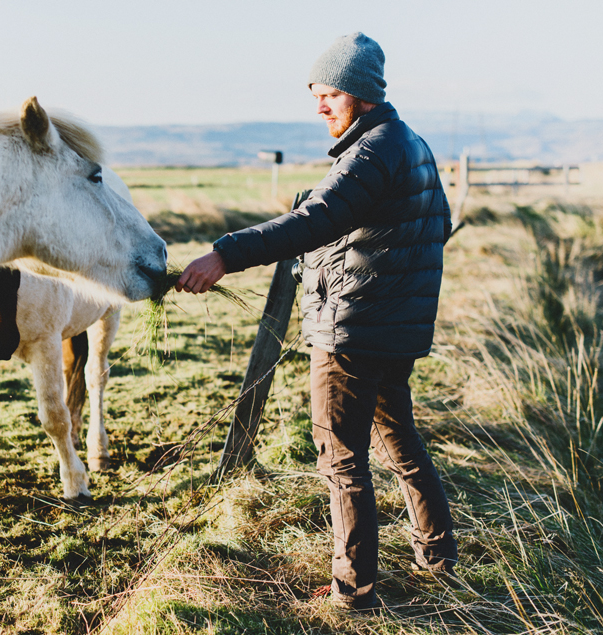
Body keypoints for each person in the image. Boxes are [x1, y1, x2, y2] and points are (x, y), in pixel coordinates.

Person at [176, 32, 457, 609]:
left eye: (329, 94)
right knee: (398, 439)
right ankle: (437, 554)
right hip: (392, 331)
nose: (320, 106)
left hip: (354, 332)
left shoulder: (373, 151)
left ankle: (352, 591)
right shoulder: (412, 145)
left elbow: (315, 219)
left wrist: (225, 254)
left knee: (340, 457)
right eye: (316, 95)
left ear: (361, 93)